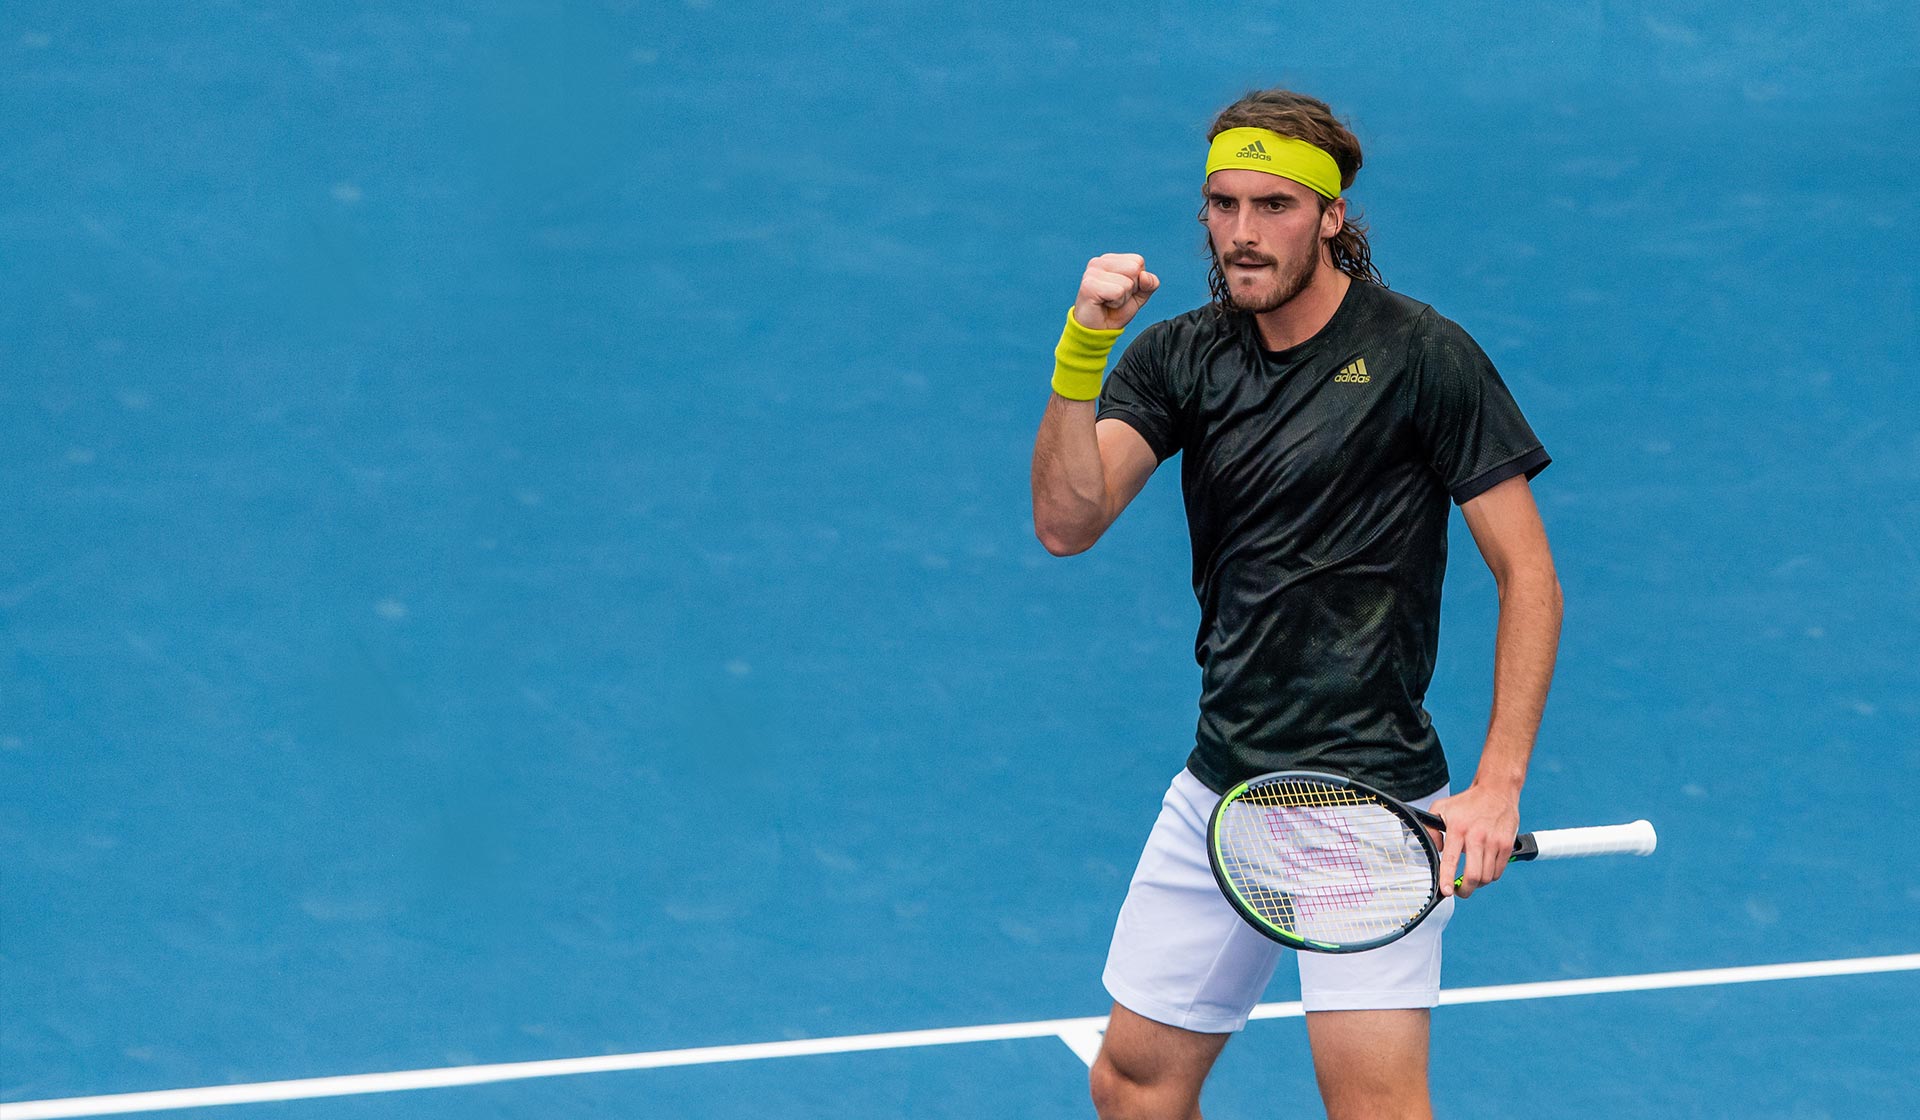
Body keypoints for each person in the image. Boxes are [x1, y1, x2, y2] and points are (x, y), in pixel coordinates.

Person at [1029, 88, 1564, 1119]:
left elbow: (1529, 574)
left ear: (1330, 217)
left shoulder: (1423, 357)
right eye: (1221, 206)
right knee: (1133, 1085)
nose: (1240, 234)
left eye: (1272, 206)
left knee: (1373, 1109)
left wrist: (1498, 783)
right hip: (1223, 787)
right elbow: (1067, 519)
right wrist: (1083, 347)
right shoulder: (1181, 355)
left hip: (1367, 804)